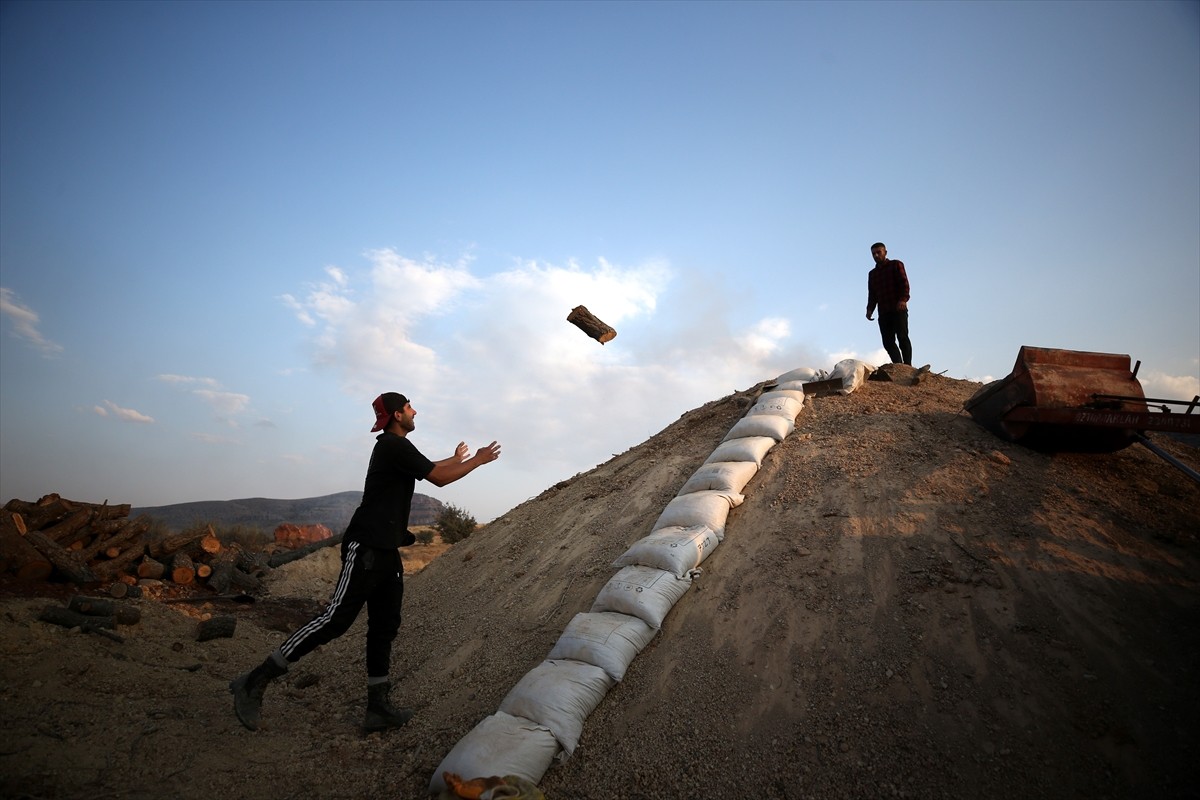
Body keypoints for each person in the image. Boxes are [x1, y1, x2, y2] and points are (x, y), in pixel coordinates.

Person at [230, 392, 501, 733]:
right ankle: (254, 681)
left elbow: (431, 468)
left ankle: (378, 707)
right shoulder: (391, 445)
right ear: (397, 416)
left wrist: (456, 457)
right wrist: (476, 460)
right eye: (408, 407)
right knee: (335, 620)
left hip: (387, 551)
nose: (414, 411)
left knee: (385, 626)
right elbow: (439, 478)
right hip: (367, 547)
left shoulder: (397, 447)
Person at [865, 241, 913, 365]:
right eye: (873, 254)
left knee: (902, 337)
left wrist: (903, 299)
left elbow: (904, 284)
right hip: (884, 311)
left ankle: (908, 365)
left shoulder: (896, 265)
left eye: (878, 252)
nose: (876, 255)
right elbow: (872, 294)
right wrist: (869, 309)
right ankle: (899, 365)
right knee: (887, 342)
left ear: (885, 252)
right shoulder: (872, 274)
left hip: (898, 308)